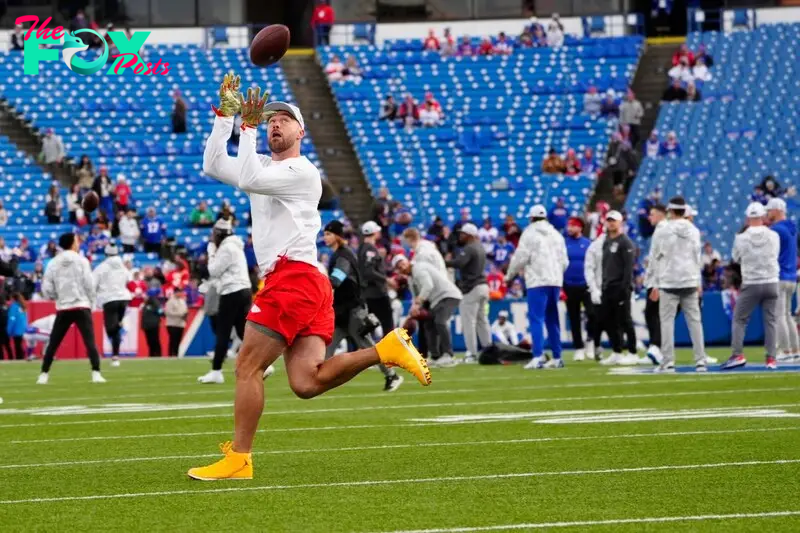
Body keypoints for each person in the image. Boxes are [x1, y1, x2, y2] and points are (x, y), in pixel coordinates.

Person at [190, 77, 428, 480]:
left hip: (293, 278)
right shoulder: (263, 166)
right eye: (270, 120)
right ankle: (386, 350)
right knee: (305, 382)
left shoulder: (302, 170)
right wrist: (224, 115)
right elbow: (213, 164)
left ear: (302, 131)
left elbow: (248, 179)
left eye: (284, 119)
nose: (274, 124)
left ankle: (240, 459)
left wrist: (245, 128)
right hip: (306, 281)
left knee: (247, 367)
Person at [323, 220, 402, 391]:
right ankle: (320, 380)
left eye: (329, 234)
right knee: (328, 345)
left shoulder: (343, 255)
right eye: (325, 234)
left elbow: (337, 278)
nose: (325, 237)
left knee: (367, 346)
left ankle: (392, 375)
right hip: (343, 310)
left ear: (337, 236)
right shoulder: (339, 254)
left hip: (354, 310)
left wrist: (321, 285)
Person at [36, 233, 106, 384]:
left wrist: (57, 297)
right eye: (76, 240)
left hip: (64, 307)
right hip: (81, 305)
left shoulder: (53, 262)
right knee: (90, 342)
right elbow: (89, 284)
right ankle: (96, 373)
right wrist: (92, 302)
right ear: (72, 243)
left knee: (53, 342)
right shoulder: (82, 261)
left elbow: (46, 288)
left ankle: (43, 374)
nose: (78, 243)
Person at [505, 205, 568, 369]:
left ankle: (538, 356)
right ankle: (557, 357)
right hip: (555, 282)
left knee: (536, 319)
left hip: (537, 282)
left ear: (531, 218)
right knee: (553, 319)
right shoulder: (557, 234)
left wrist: (509, 275)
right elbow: (565, 261)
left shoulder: (529, 233)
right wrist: (556, 275)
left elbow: (520, 258)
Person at [648, 197, 705, 372]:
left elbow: (654, 257)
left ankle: (668, 361)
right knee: (695, 321)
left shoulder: (663, 230)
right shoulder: (694, 231)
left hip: (668, 281)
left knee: (666, 322)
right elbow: (697, 257)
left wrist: (653, 283)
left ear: (670, 211)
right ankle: (700, 360)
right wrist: (698, 281)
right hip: (689, 280)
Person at [722, 203, 780, 371]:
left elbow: (735, 258)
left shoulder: (741, 238)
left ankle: (738, 354)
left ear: (748, 218)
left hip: (752, 282)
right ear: (763, 217)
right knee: (770, 321)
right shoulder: (773, 235)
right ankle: (771, 359)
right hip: (771, 281)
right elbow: (774, 254)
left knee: (739, 319)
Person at [197, 219, 253, 384]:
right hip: (243, 290)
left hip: (232, 291)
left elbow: (213, 271)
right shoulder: (234, 246)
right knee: (242, 331)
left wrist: (211, 252)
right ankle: (265, 364)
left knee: (223, 332)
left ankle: (216, 371)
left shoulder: (227, 248)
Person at [393, 254, 461, 367]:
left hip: (448, 295)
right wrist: (413, 311)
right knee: (429, 324)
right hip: (437, 299)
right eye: (399, 267)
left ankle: (449, 355)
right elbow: (415, 297)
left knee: (440, 321)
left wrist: (418, 303)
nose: (402, 268)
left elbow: (428, 286)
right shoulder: (411, 278)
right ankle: (435, 356)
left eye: (403, 264)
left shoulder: (418, 269)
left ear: (408, 262)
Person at [596, 211, 638, 366]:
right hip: (607, 286)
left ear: (620, 222)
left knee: (625, 320)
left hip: (620, 287)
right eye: (609, 220)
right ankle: (617, 351)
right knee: (608, 320)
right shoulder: (606, 241)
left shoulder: (625, 242)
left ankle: (633, 352)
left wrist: (625, 287)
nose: (611, 223)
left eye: (614, 221)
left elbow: (628, 268)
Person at [446, 223, 491, 364]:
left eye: (462, 234)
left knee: (468, 322)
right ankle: (488, 350)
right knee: (482, 320)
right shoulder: (480, 247)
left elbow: (459, 263)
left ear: (469, 235)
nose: (460, 236)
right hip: (483, 286)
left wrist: (443, 262)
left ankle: (471, 354)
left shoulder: (470, 248)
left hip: (472, 288)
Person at [766, 198, 799, 361]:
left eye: (769, 210)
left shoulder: (776, 230)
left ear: (777, 210)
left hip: (779, 276)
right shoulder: (791, 228)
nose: (767, 213)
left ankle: (785, 351)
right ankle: (795, 349)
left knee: (779, 316)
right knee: (787, 315)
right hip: (792, 277)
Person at [93, 243, 132, 368]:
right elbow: (129, 279)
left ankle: (115, 355)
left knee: (111, 329)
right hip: (123, 299)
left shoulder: (101, 267)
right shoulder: (123, 267)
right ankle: (116, 353)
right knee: (115, 328)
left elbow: (92, 284)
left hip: (110, 299)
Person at [563, 217, 595, 361]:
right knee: (574, 317)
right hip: (569, 285)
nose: (569, 228)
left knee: (592, 314)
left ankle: (590, 340)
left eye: (573, 226)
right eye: (569, 226)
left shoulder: (588, 244)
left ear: (580, 228)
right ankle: (578, 348)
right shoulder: (563, 244)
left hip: (586, 284)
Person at [642, 204, 667, 365]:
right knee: (652, 314)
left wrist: (656, 283)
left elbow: (661, 258)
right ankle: (655, 347)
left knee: (654, 314)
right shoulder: (660, 230)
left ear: (660, 215)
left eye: (652, 214)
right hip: (657, 279)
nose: (649, 218)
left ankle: (656, 347)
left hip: (659, 280)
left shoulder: (662, 230)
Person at [165, 290, 188, 357]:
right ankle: (171, 354)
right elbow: (168, 312)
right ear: (175, 293)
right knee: (173, 339)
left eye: (181, 292)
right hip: (172, 324)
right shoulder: (170, 301)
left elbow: (185, 310)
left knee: (178, 340)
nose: (181, 294)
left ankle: (176, 354)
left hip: (180, 324)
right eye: (179, 292)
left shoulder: (182, 301)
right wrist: (179, 314)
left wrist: (185, 315)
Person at [141, 288, 164, 357]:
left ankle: (156, 355)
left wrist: (159, 311)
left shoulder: (154, 302)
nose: (145, 297)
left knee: (154, 341)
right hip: (148, 325)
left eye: (146, 295)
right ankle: (152, 355)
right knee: (151, 341)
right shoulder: (147, 304)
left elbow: (161, 312)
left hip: (153, 325)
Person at [6, 292, 27, 360]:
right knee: (19, 345)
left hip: (16, 330)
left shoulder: (14, 307)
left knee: (17, 345)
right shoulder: (22, 306)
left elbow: (12, 319)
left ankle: (20, 358)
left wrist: (8, 331)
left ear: (13, 299)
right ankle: (21, 357)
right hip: (22, 329)